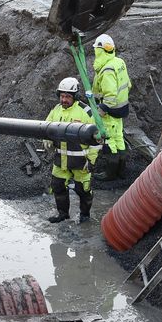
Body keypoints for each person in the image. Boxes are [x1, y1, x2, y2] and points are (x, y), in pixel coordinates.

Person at [43, 77, 100, 224]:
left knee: (83, 190)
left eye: (68, 96)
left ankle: (85, 215)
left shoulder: (86, 112)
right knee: (58, 186)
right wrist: (47, 141)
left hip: (81, 162)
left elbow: (97, 139)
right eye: (62, 96)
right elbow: (45, 128)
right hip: (60, 160)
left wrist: (91, 160)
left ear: (75, 96)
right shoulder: (55, 110)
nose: (64, 99)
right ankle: (63, 214)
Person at [91, 34, 132, 179]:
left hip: (110, 110)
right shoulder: (118, 62)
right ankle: (121, 171)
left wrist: (103, 108)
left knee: (109, 140)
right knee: (119, 137)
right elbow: (128, 84)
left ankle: (110, 173)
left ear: (100, 50)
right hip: (121, 108)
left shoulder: (107, 69)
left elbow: (110, 93)